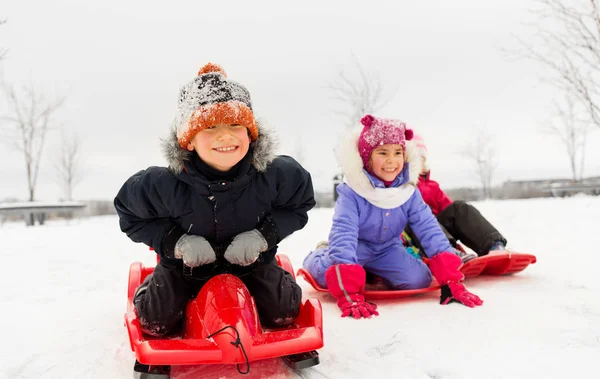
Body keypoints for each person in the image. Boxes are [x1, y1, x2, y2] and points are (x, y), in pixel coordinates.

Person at [114, 63, 315, 336]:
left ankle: (277, 281)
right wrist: (176, 242)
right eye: (209, 127)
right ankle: (150, 289)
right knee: (155, 322)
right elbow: (130, 215)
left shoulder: (277, 175)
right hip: (184, 269)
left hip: (250, 263)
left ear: (250, 135)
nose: (225, 135)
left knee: (284, 313)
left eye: (236, 124)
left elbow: (298, 206)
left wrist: (263, 236)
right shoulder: (161, 184)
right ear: (189, 140)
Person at [303, 114, 483, 319]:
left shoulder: (408, 191)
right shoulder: (353, 191)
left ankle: (373, 271)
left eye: (398, 152)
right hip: (356, 247)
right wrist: (348, 290)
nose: (391, 160)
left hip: (388, 248)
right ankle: (319, 254)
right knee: (327, 277)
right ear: (367, 157)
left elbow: (428, 228)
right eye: (382, 152)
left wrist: (451, 279)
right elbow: (344, 232)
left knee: (419, 279)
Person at [408, 133, 507, 263]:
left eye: (420, 158)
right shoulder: (402, 188)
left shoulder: (432, 186)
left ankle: (494, 245)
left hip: (441, 233)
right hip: (417, 237)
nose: (417, 162)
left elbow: (453, 214)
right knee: (420, 217)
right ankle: (448, 251)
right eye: (413, 158)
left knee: (460, 208)